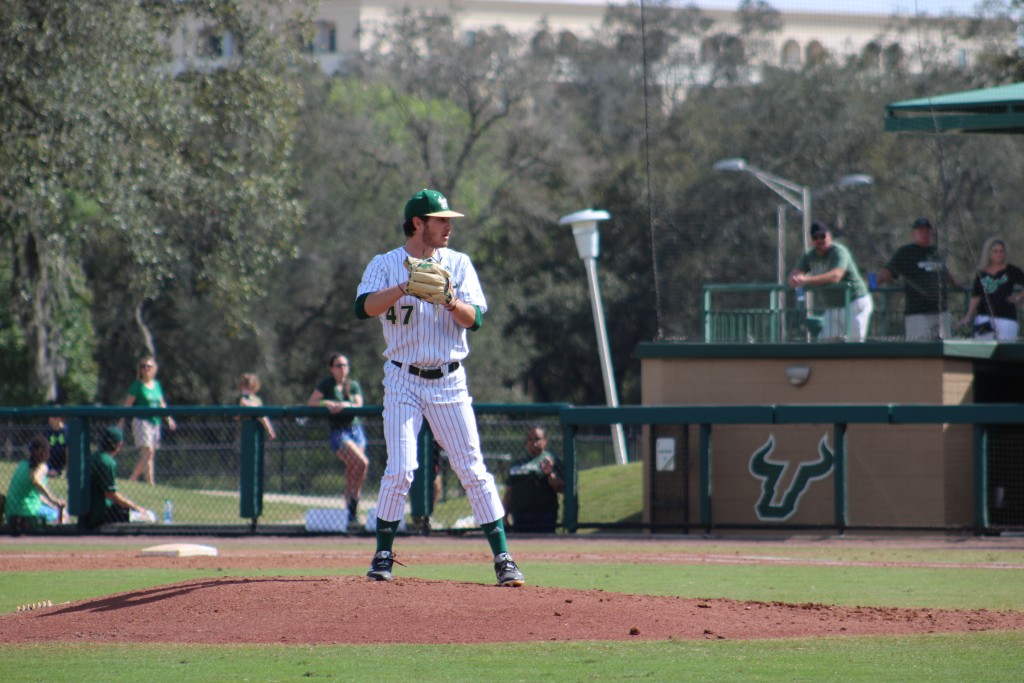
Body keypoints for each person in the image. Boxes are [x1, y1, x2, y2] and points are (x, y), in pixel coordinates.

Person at [355, 188, 524, 586]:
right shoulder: (385, 264)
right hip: (402, 377)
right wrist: (405, 286)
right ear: (418, 223)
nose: (448, 227)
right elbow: (362, 308)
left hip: (449, 378)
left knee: (472, 468)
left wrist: (448, 299)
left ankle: (503, 557)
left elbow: (475, 320)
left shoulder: (459, 264)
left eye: (449, 220)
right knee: (401, 469)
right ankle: (383, 555)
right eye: (440, 220)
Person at [306, 353, 368, 523]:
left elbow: (358, 403)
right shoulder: (327, 384)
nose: (342, 369)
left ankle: (351, 511)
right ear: (331, 368)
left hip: (356, 430)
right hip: (340, 432)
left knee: (353, 471)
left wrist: (346, 404)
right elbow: (312, 402)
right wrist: (325, 403)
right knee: (363, 462)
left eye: (345, 365)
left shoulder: (352, 384)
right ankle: (353, 501)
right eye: (338, 365)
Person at [876, 217, 961, 340]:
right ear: (913, 233)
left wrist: (955, 284)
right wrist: (873, 283)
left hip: (940, 312)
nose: (924, 234)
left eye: (927, 231)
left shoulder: (935, 251)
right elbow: (887, 271)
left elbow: (944, 272)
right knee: (920, 351)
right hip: (918, 313)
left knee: (944, 350)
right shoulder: (906, 252)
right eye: (921, 231)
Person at [787, 222, 873, 342]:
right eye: (815, 237)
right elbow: (794, 275)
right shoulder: (809, 255)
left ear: (829, 236)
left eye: (822, 236)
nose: (819, 240)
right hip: (833, 307)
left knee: (855, 346)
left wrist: (806, 280)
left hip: (855, 303)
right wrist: (794, 279)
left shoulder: (839, 251)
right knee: (825, 344)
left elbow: (835, 276)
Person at [80, 426, 154, 530]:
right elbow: (111, 494)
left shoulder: (92, 457)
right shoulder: (107, 462)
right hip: (100, 514)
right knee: (149, 517)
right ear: (119, 445)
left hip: (84, 513)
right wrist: (135, 507)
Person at [122, 355, 176, 486]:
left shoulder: (156, 385)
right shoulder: (137, 386)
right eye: (143, 366)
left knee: (150, 454)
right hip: (141, 421)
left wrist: (168, 418)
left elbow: (161, 403)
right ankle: (151, 482)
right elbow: (127, 405)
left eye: (149, 366)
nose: (146, 369)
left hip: (155, 422)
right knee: (148, 451)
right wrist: (121, 421)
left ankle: (132, 479)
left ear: (154, 369)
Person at [957, 238, 1024, 341]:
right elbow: (976, 296)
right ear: (989, 253)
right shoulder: (982, 273)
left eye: (1001, 251)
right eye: (995, 251)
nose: (998, 254)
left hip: (1006, 317)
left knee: (1005, 351)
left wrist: (1018, 297)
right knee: (983, 351)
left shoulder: (1012, 270)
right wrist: (968, 316)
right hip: (984, 317)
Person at [504, 426, 564, 533]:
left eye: (537, 439)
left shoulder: (551, 460)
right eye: (530, 440)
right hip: (520, 515)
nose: (533, 443)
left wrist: (549, 473)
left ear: (545, 441)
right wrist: (504, 515)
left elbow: (560, 488)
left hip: (544, 515)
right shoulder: (518, 464)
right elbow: (509, 491)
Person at [5, 435, 66, 534]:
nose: (49, 454)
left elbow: (38, 495)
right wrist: (54, 500)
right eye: (48, 451)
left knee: (53, 509)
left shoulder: (22, 464)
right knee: (64, 514)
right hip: (30, 512)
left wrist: (53, 504)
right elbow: (35, 480)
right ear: (43, 452)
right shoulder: (42, 467)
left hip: (11, 513)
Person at [239, 373, 277, 440]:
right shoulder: (242, 398)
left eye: (247, 385)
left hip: (256, 429)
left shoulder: (256, 399)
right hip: (245, 428)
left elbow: (261, 414)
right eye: (243, 385)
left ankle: (270, 431)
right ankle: (270, 430)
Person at [44, 411, 69, 477]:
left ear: (59, 418)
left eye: (52, 417)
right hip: (50, 462)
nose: (49, 419)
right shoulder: (48, 431)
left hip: (61, 462)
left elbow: (68, 450)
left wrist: (67, 468)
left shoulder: (67, 431)